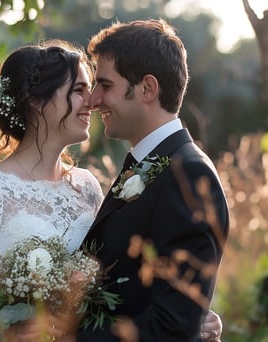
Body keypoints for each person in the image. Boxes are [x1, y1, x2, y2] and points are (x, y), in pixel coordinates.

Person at [0, 37, 223, 342]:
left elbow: (121, 282)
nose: (92, 102)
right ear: (35, 100)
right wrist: (0, 332)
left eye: (95, 87)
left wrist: (188, 317)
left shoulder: (87, 187)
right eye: (79, 91)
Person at [65, 19, 228, 342]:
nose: (93, 100)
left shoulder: (189, 175)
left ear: (148, 89)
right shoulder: (150, 163)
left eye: (106, 85)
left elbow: (174, 324)